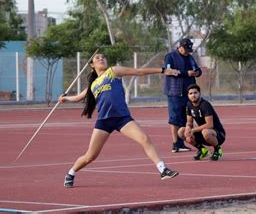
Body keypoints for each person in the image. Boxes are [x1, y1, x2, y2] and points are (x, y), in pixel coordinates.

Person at [59, 53, 180, 188]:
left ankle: (163, 170)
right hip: (104, 121)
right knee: (90, 156)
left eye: (103, 57)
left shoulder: (113, 71)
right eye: (97, 58)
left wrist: (163, 70)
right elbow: (78, 97)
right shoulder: (92, 85)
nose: (101, 59)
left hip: (122, 118)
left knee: (144, 139)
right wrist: (65, 98)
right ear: (92, 65)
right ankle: (71, 173)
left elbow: (138, 71)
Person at [163, 38, 202, 153]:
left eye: (189, 49)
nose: (187, 52)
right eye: (185, 49)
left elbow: (197, 69)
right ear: (180, 47)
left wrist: (197, 72)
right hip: (175, 93)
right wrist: (186, 73)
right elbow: (168, 71)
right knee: (175, 118)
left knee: (187, 118)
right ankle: (175, 144)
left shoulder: (190, 57)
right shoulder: (170, 56)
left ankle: (182, 142)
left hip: (189, 93)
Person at [177, 84, 226, 161]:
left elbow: (209, 125)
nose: (193, 95)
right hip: (202, 133)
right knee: (181, 131)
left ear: (199, 94)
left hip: (217, 134)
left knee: (206, 132)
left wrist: (192, 130)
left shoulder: (205, 105)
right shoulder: (189, 104)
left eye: (195, 93)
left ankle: (217, 150)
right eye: (191, 93)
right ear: (188, 95)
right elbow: (189, 122)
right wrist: (188, 129)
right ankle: (203, 150)